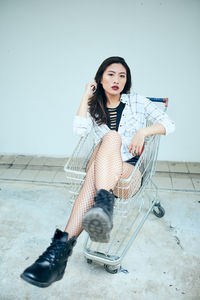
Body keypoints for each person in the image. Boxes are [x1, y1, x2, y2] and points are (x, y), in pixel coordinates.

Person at [20, 56, 175, 288]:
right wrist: (86, 96)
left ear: (126, 81)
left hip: (127, 176)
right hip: (102, 170)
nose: (117, 80)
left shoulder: (137, 102)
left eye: (122, 76)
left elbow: (169, 124)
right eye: (111, 74)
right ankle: (101, 207)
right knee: (109, 139)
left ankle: (56, 256)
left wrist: (143, 132)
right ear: (100, 79)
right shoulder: (94, 107)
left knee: (108, 142)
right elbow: (79, 130)